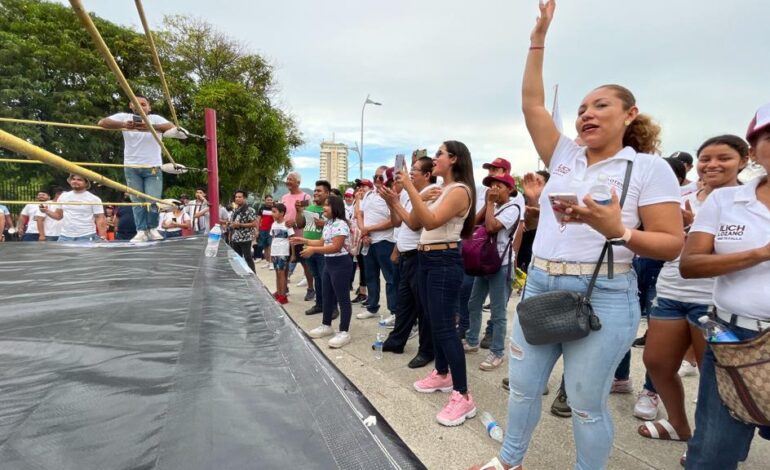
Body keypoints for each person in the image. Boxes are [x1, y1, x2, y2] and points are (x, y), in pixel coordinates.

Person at [473, 2, 683, 468]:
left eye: (600, 106)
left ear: (630, 114)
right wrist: (539, 37)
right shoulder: (563, 153)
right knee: (524, 390)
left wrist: (619, 230)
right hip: (542, 284)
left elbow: (673, 244)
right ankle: (509, 461)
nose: (586, 114)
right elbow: (531, 103)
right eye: (582, 108)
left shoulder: (647, 169)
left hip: (604, 293)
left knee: (587, 406)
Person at [678, 104, 770, 469]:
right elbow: (691, 264)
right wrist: (761, 253)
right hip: (734, 338)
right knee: (714, 452)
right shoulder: (726, 200)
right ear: (754, 150)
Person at [639, 135, 747, 442]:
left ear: (744, 160)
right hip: (672, 290)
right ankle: (678, 424)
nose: (712, 164)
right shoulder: (683, 194)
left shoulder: (747, 201)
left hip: (713, 301)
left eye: (723, 158)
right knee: (656, 363)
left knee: (711, 377)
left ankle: (707, 443)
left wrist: (697, 226)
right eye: (705, 158)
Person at [406, 141, 477, 427]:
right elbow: (414, 223)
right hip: (427, 260)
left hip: (444, 261)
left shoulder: (460, 191)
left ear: (454, 159)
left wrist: (413, 191)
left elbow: (432, 222)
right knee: (434, 322)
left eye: (439, 154)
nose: (434, 159)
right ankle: (442, 373)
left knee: (446, 327)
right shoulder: (439, 190)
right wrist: (398, 199)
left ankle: (463, 394)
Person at [378, 156, 439, 368]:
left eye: (414, 170)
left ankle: (426, 351)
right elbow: (398, 222)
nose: (409, 173)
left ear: (427, 175)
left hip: (420, 256)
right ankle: (396, 342)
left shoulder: (430, 193)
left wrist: (395, 202)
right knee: (404, 304)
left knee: (423, 308)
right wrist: (391, 201)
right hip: (406, 256)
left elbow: (414, 225)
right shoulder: (408, 193)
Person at [464, 173, 522, 371]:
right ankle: (472, 341)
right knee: (473, 303)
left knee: (497, 313)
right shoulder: (494, 206)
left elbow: (490, 227)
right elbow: (473, 224)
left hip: (501, 265)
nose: (494, 189)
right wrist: (488, 204)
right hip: (484, 263)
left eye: (499, 185)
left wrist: (490, 204)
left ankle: (497, 353)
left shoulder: (513, 208)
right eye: (492, 186)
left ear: (510, 190)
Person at [97, 95, 175, 242]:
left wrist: (150, 127)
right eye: (137, 104)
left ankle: (152, 228)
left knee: (153, 200)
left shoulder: (155, 119)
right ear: (131, 105)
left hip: (152, 166)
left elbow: (171, 127)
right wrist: (124, 124)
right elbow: (102, 122)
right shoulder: (124, 117)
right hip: (131, 166)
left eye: (144, 104)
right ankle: (141, 230)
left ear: (149, 107)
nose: (140, 106)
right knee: (137, 201)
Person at [298, 195, 354, 348]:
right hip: (329, 263)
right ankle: (326, 325)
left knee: (342, 299)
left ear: (335, 207)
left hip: (341, 263)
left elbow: (336, 247)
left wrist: (313, 249)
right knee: (326, 295)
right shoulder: (329, 223)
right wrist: (304, 241)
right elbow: (323, 242)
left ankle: (343, 332)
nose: (324, 208)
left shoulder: (341, 224)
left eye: (327, 205)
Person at [356, 166, 397, 320]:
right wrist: (363, 231)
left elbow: (393, 221)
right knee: (370, 276)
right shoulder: (369, 195)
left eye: (381, 177)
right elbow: (360, 214)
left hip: (385, 242)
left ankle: (394, 311)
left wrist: (369, 229)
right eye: (375, 177)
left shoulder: (390, 196)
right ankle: (372, 307)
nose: (377, 180)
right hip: (368, 242)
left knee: (390, 278)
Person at [297, 180, 330, 315]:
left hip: (323, 250)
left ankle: (331, 308)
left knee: (326, 279)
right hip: (308, 249)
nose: (315, 193)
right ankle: (319, 305)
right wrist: (298, 211)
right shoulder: (309, 209)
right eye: (315, 190)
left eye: (319, 191)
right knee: (317, 278)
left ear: (327, 193)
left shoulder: (330, 209)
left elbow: (339, 226)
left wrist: (325, 224)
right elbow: (299, 224)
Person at [281, 172, 313, 296]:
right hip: (286, 236)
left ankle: (311, 289)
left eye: (291, 179)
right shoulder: (284, 197)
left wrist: (294, 222)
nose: (288, 181)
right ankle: (284, 288)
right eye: (287, 179)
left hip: (301, 236)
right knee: (284, 263)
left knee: (306, 265)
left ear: (298, 183)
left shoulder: (305, 197)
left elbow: (309, 216)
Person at [50, 174, 108, 242]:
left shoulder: (94, 199)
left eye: (79, 180)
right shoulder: (63, 196)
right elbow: (58, 216)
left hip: (86, 236)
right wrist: (46, 211)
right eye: (73, 179)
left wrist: (103, 236)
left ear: (86, 183)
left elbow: (100, 218)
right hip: (65, 236)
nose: (75, 181)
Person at [224, 190, 258, 272]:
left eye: (240, 197)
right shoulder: (236, 210)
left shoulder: (250, 210)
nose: (237, 199)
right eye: (236, 197)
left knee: (248, 258)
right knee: (237, 258)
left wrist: (240, 225)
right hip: (235, 238)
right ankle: (240, 275)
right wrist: (229, 224)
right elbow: (234, 222)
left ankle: (253, 276)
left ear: (245, 198)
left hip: (245, 238)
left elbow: (254, 224)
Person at [351, 180, 373, 304]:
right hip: (359, 238)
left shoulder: (369, 200)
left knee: (368, 268)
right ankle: (363, 292)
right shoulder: (358, 200)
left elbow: (359, 214)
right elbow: (355, 215)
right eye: (359, 187)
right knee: (363, 267)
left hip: (368, 237)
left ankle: (368, 295)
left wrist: (358, 200)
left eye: (363, 186)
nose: (360, 189)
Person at [270, 203, 293, 304]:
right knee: (276, 272)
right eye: (272, 211)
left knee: (281, 273)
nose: (272, 214)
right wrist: (271, 252)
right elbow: (273, 239)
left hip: (283, 252)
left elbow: (292, 239)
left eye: (274, 212)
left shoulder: (287, 225)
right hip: (275, 252)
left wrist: (293, 254)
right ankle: (278, 292)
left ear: (282, 213)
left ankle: (283, 296)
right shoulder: (273, 224)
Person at [254, 194, 275, 267]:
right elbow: (258, 220)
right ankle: (267, 261)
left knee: (271, 246)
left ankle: (272, 263)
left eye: (270, 200)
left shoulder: (274, 208)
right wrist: (257, 230)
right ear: (265, 201)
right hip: (263, 230)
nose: (269, 201)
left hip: (271, 230)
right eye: (268, 200)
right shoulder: (261, 208)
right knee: (265, 246)